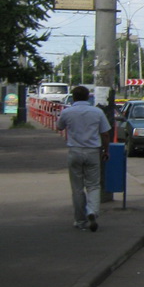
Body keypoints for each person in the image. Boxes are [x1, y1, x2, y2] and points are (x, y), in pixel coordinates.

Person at [56, 85, 111, 232]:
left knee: (77, 188)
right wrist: (106, 150)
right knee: (93, 185)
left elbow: (59, 127)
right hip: (93, 152)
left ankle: (80, 220)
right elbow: (105, 134)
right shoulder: (97, 112)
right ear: (88, 97)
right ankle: (92, 211)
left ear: (73, 97)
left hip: (74, 151)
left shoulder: (67, 112)